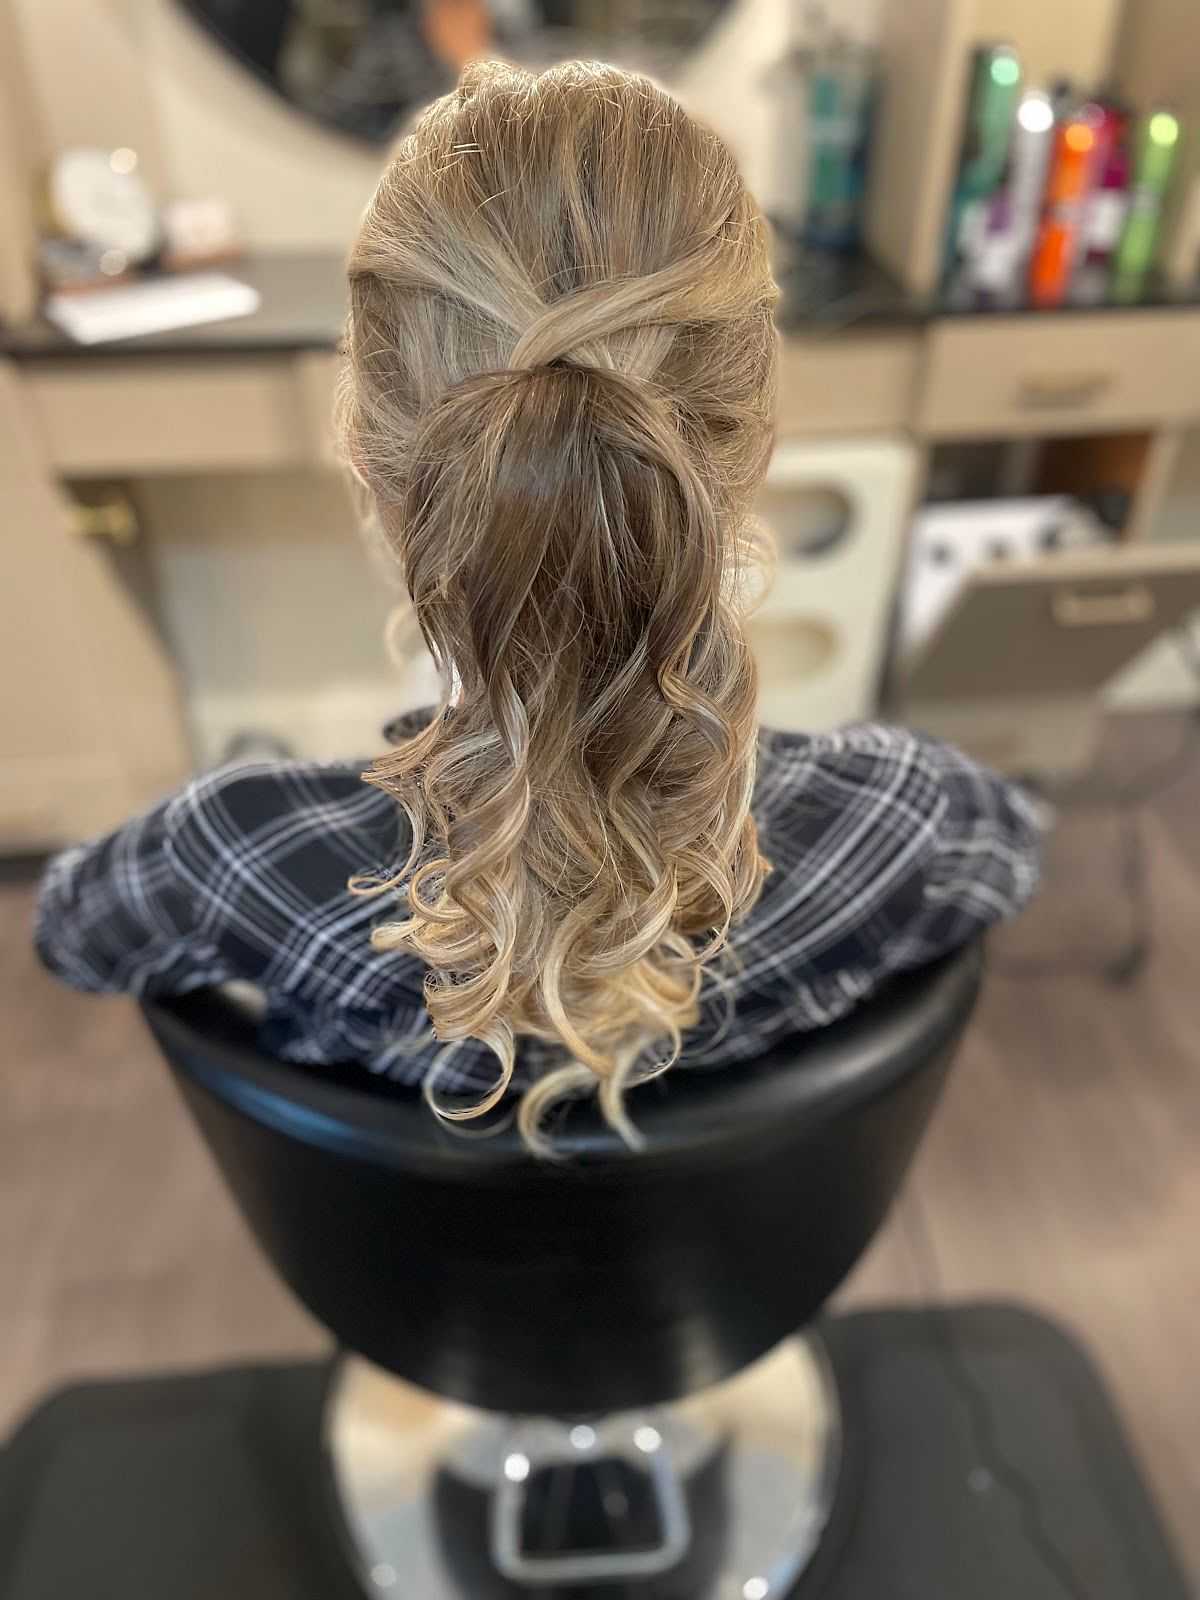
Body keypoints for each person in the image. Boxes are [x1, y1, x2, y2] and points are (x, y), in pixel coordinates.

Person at [35, 60, 1042, 1151]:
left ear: (371, 462)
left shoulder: (232, 855)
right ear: (747, 449)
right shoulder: (904, 820)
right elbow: (1013, 856)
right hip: (742, 1278)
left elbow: (74, 933)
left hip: (404, 1287)